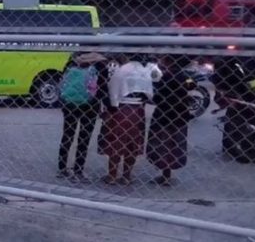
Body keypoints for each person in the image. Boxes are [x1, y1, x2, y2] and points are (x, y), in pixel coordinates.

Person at [98, 54, 156, 185]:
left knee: (115, 142)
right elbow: (150, 94)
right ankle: (126, 176)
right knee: (133, 144)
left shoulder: (122, 70)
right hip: (138, 110)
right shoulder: (144, 72)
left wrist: (111, 108)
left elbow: (112, 91)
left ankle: (112, 175)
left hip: (121, 109)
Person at [57, 52, 108, 183]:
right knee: (84, 138)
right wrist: (107, 106)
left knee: (67, 135)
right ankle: (78, 170)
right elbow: (103, 88)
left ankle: (62, 168)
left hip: (69, 104)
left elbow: (63, 83)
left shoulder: (71, 63)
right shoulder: (100, 65)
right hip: (90, 105)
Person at [146, 55, 196, 186]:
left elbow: (159, 97)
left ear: (169, 62)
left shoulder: (167, 77)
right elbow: (192, 85)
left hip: (164, 116)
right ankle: (167, 173)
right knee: (175, 144)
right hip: (180, 116)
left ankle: (165, 174)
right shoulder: (183, 76)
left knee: (163, 145)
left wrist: (151, 99)